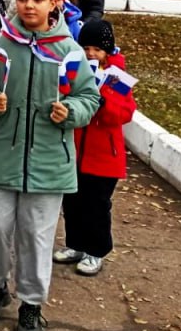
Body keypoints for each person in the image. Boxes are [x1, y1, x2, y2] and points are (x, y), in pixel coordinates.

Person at [0, 0, 101, 331]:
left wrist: (71, 111)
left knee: (36, 236)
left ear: (54, 3)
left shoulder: (69, 51)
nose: (29, 6)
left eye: (38, 0)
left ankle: (31, 303)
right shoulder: (0, 45)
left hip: (49, 162)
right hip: (1, 156)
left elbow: (89, 97)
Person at [55, 19, 137, 277]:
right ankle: (76, 244)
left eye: (97, 49)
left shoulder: (117, 77)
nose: (91, 54)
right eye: (86, 48)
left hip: (104, 156)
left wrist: (103, 102)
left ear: (107, 51)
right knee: (72, 202)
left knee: (97, 206)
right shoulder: (75, 70)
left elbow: (125, 113)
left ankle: (96, 250)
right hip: (76, 152)